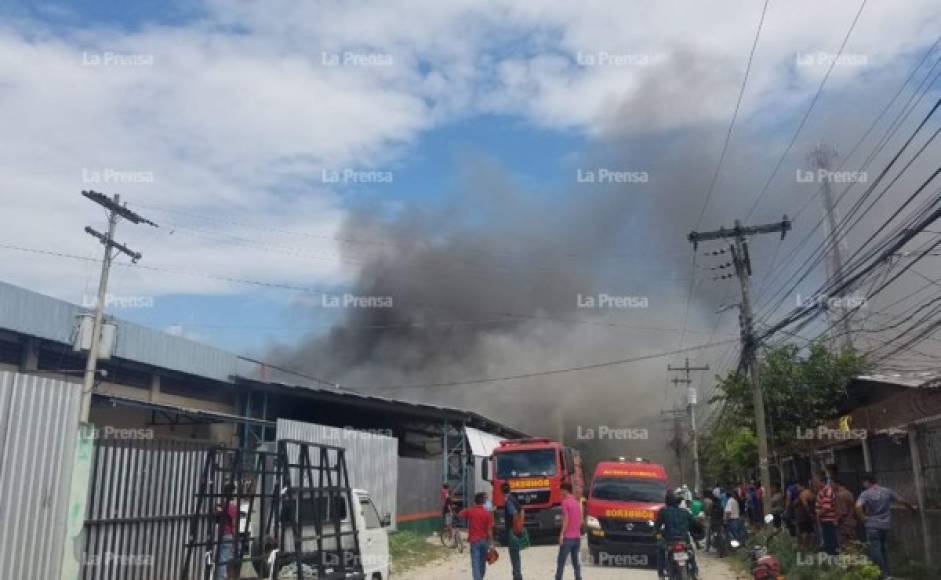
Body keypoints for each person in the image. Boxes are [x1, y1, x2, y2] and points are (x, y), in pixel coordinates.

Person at [855, 473, 917, 580]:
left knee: (875, 550)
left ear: (867, 482)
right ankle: (886, 573)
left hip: (872, 525)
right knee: (882, 549)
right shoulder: (887, 491)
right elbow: (901, 500)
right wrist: (912, 508)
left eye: (863, 482)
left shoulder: (865, 494)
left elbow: (857, 506)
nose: (863, 484)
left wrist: (863, 518)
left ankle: (882, 575)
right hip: (885, 526)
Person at [656, 491, 702, 579]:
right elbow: (695, 525)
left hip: (669, 541)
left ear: (667, 501)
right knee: (691, 553)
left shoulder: (663, 511)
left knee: (660, 551)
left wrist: (657, 535)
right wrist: (698, 531)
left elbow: (657, 527)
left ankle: (661, 574)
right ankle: (694, 572)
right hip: (684, 540)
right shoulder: (685, 512)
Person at [459, 492, 495, 580]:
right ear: (483, 502)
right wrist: (491, 543)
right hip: (484, 541)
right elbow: (489, 530)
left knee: (475, 562)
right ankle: (480, 577)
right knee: (482, 562)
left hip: (474, 541)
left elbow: (460, 515)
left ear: (475, 502)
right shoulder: (487, 513)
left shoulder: (471, 510)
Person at [555, 482, 582, 580]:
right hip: (577, 537)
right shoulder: (576, 502)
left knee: (561, 561)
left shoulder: (565, 502)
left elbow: (566, 519)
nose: (560, 493)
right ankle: (578, 578)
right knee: (576, 562)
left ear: (565, 490)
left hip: (568, 538)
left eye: (561, 491)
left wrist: (562, 534)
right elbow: (580, 519)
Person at [215, 482, 239, 580]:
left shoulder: (221, 505)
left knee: (221, 557)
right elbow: (234, 522)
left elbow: (217, 517)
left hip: (220, 534)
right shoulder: (232, 507)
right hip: (228, 534)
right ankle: (222, 577)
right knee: (224, 557)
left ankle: (222, 576)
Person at [501, 482, 524, 580]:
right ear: (510, 489)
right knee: (516, 553)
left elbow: (514, 513)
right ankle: (517, 575)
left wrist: (515, 528)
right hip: (516, 529)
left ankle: (517, 576)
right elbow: (522, 511)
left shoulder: (508, 500)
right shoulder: (514, 499)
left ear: (501, 491)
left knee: (514, 554)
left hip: (512, 530)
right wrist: (520, 525)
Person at [815, 470, 839, 555]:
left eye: (816, 481)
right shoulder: (823, 490)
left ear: (821, 481)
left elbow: (826, 507)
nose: (815, 483)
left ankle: (833, 556)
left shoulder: (827, 491)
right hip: (825, 519)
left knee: (830, 539)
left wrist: (818, 515)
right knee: (827, 539)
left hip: (828, 519)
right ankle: (830, 554)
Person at [833, 476, 857, 545]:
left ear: (837, 484)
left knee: (845, 543)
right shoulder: (849, 493)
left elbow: (842, 511)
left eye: (832, 484)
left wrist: (836, 520)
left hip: (844, 523)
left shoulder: (840, 495)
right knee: (853, 542)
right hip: (851, 520)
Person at [795, 481, 817, 551]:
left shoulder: (804, 493)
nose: (797, 488)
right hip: (810, 514)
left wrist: (810, 513)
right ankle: (810, 546)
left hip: (803, 515)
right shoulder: (814, 494)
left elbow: (805, 505)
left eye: (798, 486)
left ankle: (804, 547)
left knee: (803, 531)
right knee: (811, 531)